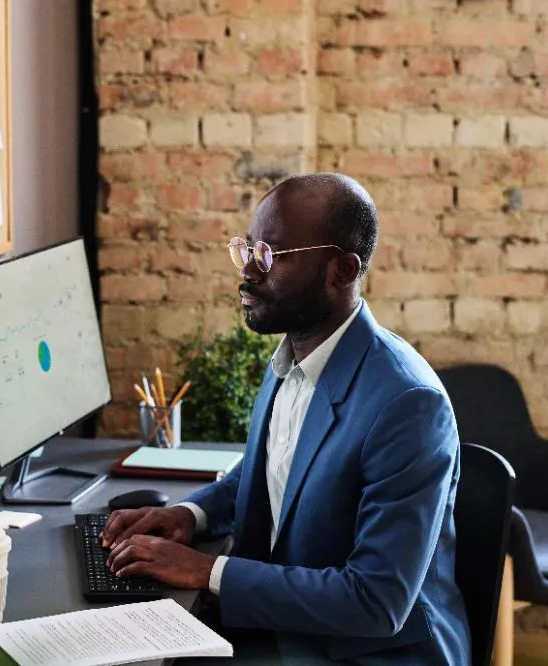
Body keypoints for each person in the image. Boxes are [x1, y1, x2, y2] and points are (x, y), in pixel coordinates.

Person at [101, 173, 471, 664]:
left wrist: (206, 571)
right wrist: (190, 515)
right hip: (283, 630)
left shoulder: (408, 404)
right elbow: (269, 471)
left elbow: (376, 602)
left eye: (271, 256)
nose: (250, 271)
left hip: (366, 653)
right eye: (248, 249)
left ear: (342, 270)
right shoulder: (293, 357)